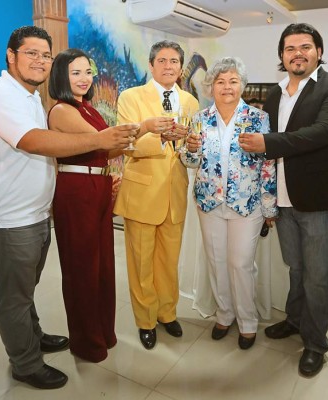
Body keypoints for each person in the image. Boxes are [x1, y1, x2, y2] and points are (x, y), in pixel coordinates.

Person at [0, 26, 136, 389]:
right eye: (31, 53)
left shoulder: (29, 98)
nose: (40, 61)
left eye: (45, 55)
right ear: (11, 56)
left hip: (35, 213)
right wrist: (100, 140)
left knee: (25, 288)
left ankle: (33, 336)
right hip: (7, 217)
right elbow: (31, 141)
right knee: (14, 295)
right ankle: (25, 363)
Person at [237, 23, 328, 376]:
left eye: (305, 46)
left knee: (318, 275)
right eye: (289, 48)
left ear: (318, 50)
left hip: (318, 200)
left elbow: (320, 134)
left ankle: (316, 343)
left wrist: (268, 143)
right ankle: (296, 319)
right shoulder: (274, 96)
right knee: (297, 268)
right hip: (283, 200)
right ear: (281, 56)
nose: (297, 53)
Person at [47, 48, 172, 362]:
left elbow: (110, 146)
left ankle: (103, 332)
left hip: (97, 186)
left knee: (101, 266)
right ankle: (87, 342)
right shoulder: (61, 109)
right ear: (61, 75)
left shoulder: (86, 107)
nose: (84, 78)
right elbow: (104, 141)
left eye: (88, 72)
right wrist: (144, 126)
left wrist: (107, 176)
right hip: (77, 190)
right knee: (82, 269)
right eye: (76, 72)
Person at [182, 57, 277, 350]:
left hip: (246, 204)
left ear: (242, 85)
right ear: (211, 86)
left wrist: (269, 206)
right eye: (220, 81)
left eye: (233, 81)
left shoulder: (257, 118)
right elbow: (190, 161)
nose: (227, 87)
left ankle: (247, 323)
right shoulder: (200, 118)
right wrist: (189, 149)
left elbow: (268, 163)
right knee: (216, 261)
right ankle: (224, 315)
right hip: (209, 201)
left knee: (241, 263)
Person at [113, 40, 199, 350]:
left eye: (174, 61)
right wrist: (160, 137)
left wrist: (192, 146)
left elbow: (193, 147)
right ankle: (145, 321)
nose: (168, 66)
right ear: (151, 66)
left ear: (180, 67)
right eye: (161, 60)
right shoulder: (131, 97)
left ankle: (167, 313)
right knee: (141, 263)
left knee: (168, 262)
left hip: (175, 193)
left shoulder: (190, 102)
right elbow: (127, 143)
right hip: (142, 193)